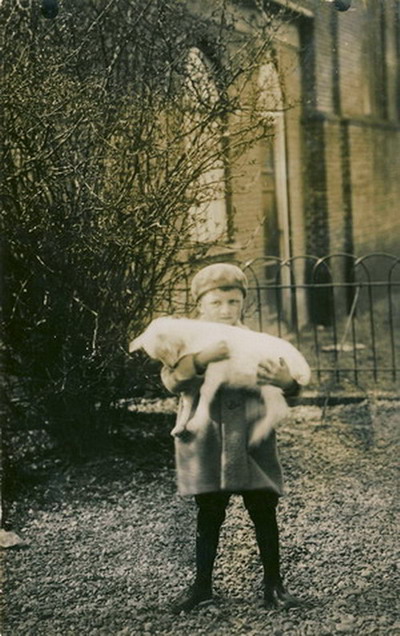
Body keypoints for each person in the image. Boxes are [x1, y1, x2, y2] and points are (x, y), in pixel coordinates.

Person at [160, 263, 310, 613]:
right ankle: (201, 588)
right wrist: (200, 360)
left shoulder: (258, 343)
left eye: (233, 302)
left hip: (253, 439)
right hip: (208, 440)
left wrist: (287, 383)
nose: (226, 310)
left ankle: (273, 585)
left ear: (243, 302)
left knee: (263, 509)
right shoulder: (189, 342)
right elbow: (171, 380)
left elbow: (287, 391)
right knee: (209, 511)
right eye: (216, 303)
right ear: (200, 305)